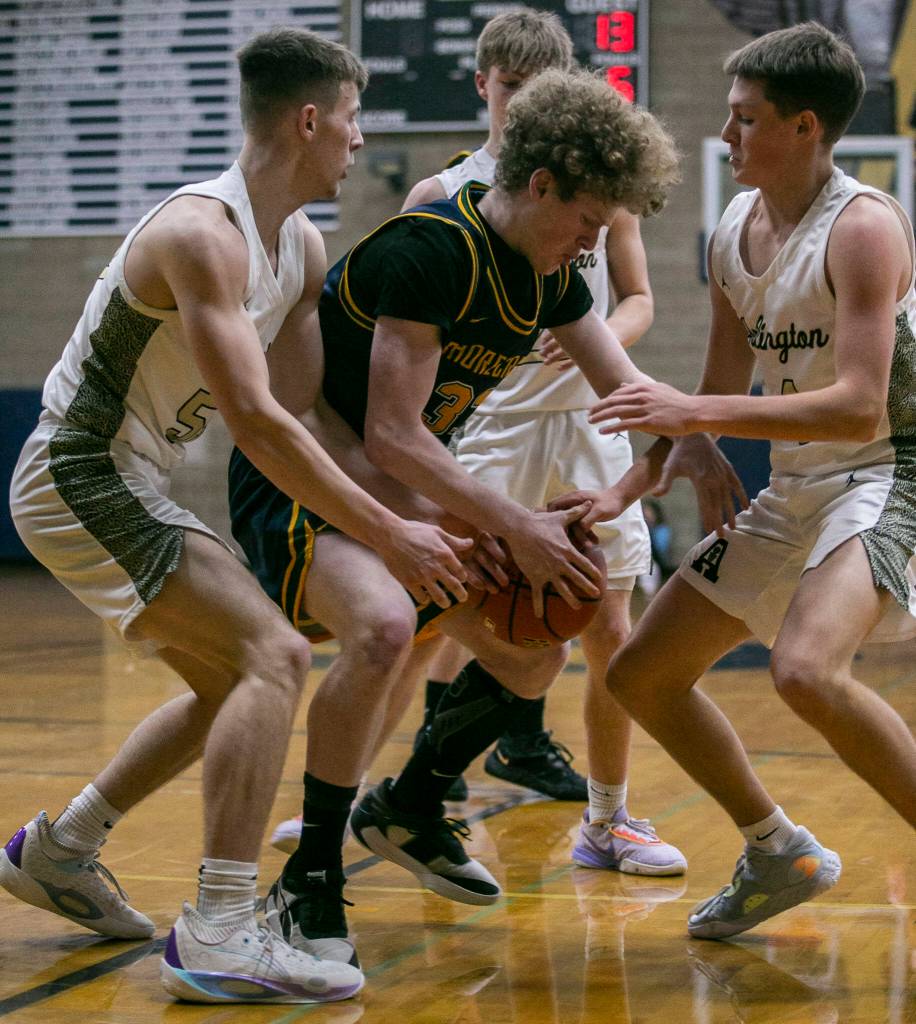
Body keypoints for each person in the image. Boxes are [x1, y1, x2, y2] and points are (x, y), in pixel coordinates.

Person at [229, 61, 746, 967]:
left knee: (537, 643)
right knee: (387, 630)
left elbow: (623, 384)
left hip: (400, 486)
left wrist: (691, 438)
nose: (590, 243)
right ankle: (309, 878)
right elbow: (392, 434)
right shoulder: (434, 248)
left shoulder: (548, 275)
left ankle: (412, 804)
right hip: (309, 477)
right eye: (587, 222)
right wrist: (513, 525)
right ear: (540, 185)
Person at [0, 28, 475, 1005]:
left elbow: (304, 410)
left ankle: (62, 847)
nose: (358, 139)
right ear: (308, 119)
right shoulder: (200, 235)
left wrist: (427, 506)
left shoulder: (298, 247)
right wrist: (389, 536)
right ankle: (218, 928)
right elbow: (256, 424)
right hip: (79, 466)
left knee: (233, 683)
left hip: (134, 473)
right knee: (276, 655)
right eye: (351, 118)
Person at [584, 21, 916, 938]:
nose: (726, 135)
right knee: (643, 674)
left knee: (805, 670)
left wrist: (695, 413)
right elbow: (721, 387)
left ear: (805, 127)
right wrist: (648, 474)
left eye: (746, 118)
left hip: (890, 470)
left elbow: (858, 406)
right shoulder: (733, 227)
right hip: (800, 482)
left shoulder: (863, 227)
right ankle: (778, 850)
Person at [395, 11, 684, 880]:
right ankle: (357, 792)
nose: (521, 104)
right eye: (510, 87)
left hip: (589, 422)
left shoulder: (599, 188)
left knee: (610, 628)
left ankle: (608, 818)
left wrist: (595, 335)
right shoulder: (444, 194)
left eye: (539, 89)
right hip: (487, 422)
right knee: (428, 617)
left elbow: (638, 300)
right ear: (482, 83)